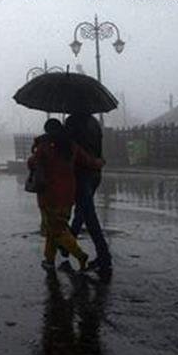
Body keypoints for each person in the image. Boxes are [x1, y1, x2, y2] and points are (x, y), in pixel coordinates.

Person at [28, 119, 104, 271]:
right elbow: (88, 161)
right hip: (67, 195)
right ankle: (49, 260)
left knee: (57, 230)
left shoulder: (44, 146)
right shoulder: (71, 146)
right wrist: (100, 162)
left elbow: (32, 163)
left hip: (49, 195)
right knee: (53, 228)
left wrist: (35, 148)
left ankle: (80, 255)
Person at [64, 113, 112, 268]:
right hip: (95, 173)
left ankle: (104, 255)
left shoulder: (72, 122)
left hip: (81, 173)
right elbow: (98, 148)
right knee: (82, 211)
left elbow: (69, 149)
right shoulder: (94, 123)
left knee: (89, 215)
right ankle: (67, 245)